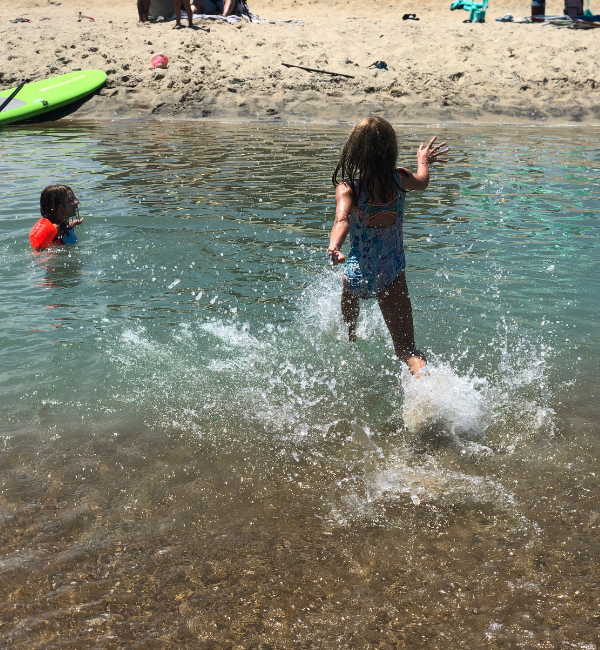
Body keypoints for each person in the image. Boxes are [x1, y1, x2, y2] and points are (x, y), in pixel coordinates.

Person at [327, 117, 448, 377]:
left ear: (356, 152)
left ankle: (349, 346)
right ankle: (427, 384)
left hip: (358, 274)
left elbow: (342, 220)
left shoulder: (349, 189)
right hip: (391, 274)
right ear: (390, 150)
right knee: (407, 349)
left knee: (348, 327)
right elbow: (423, 180)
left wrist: (335, 247)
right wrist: (424, 159)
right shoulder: (400, 179)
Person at [29, 185, 83, 251]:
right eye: (70, 200)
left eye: (74, 199)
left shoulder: (62, 225)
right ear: (55, 207)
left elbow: (65, 232)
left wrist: (72, 224)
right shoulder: (56, 228)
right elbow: (38, 250)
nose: (76, 202)